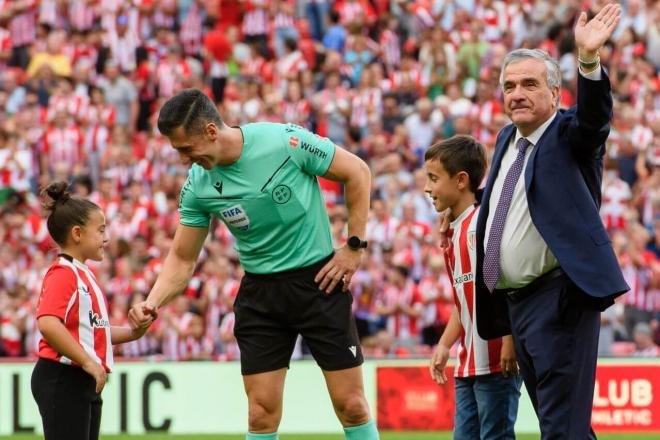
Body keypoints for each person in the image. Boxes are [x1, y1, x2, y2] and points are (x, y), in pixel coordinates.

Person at [128, 89, 379, 440]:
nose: (185, 160)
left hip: (319, 282)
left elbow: (358, 172)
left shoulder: (284, 142)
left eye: (187, 149)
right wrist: (151, 302)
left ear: (211, 131)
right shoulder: (198, 186)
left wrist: (354, 245)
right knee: (260, 414)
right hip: (261, 295)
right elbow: (183, 258)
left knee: (351, 404)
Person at [473, 4, 629, 439]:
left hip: (560, 297)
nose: (516, 94)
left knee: (561, 428)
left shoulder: (568, 134)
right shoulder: (508, 138)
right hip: (518, 305)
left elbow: (596, 120)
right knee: (562, 424)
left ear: (555, 94)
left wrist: (588, 60)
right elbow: (508, 211)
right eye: (508, 86)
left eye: (529, 84)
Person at [31, 181, 153, 440]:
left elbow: (94, 332)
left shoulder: (82, 274)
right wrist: (88, 362)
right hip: (64, 376)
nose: (106, 238)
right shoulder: (64, 273)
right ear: (77, 233)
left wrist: (133, 332)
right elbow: (48, 323)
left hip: (81, 377)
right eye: (100, 230)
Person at [426, 135, 521, 439]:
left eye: (433, 178)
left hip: (496, 361)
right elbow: (466, 301)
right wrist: (444, 344)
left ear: (461, 180)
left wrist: (509, 340)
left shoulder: (482, 226)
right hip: (467, 362)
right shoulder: (452, 232)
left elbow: (507, 284)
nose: (427, 188)